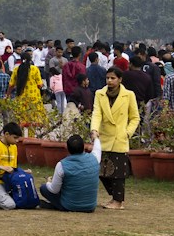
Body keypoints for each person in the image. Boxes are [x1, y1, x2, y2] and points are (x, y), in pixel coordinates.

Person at [91, 69, 140, 209]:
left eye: (113, 78)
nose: (109, 81)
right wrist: (94, 129)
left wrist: (127, 132)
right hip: (104, 137)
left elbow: (135, 117)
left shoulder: (129, 95)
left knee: (118, 173)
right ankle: (114, 198)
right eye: (107, 78)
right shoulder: (99, 94)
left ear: (120, 79)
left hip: (120, 137)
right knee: (101, 171)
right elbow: (97, 114)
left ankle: (118, 201)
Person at [39, 135, 101, 211]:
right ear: (83, 147)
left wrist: (48, 182)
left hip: (69, 206)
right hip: (90, 206)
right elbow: (98, 148)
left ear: (67, 148)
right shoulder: (95, 159)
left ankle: (56, 205)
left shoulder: (61, 165)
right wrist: (95, 137)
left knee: (43, 188)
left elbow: (54, 190)